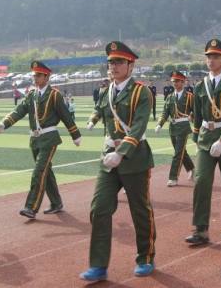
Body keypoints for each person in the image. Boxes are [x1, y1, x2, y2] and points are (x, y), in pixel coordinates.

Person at [79, 42, 156, 281]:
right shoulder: (105, 92)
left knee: (139, 209)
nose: (113, 66)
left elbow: (138, 126)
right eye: (111, 62)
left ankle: (145, 256)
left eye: (119, 62)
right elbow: (104, 117)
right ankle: (99, 265)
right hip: (109, 158)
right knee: (99, 208)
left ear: (131, 66)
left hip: (133, 158)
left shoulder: (141, 92)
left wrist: (121, 152)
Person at [0, 61, 81, 220]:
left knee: (38, 172)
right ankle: (56, 203)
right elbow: (18, 111)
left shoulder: (54, 95)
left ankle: (31, 207)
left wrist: (75, 135)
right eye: (34, 75)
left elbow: (66, 116)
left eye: (38, 75)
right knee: (46, 172)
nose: (35, 78)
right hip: (35, 139)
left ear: (46, 77)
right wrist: (4, 123)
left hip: (49, 138)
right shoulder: (31, 95)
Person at [185, 39, 221, 245]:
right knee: (201, 183)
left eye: (215, 57)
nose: (210, 60)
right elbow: (197, 116)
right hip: (205, 141)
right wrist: (196, 138)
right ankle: (200, 229)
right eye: (208, 56)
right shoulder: (201, 86)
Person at [155, 70, 195, 186]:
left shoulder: (189, 96)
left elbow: (196, 111)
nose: (175, 83)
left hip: (183, 127)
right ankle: (192, 169)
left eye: (177, 81)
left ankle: (173, 177)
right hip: (172, 127)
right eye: (174, 81)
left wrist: (192, 117)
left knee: (177, 153)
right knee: (182, 152)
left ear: (183, 82)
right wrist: (159, 124)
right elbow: (165, 113)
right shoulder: (170, 97)